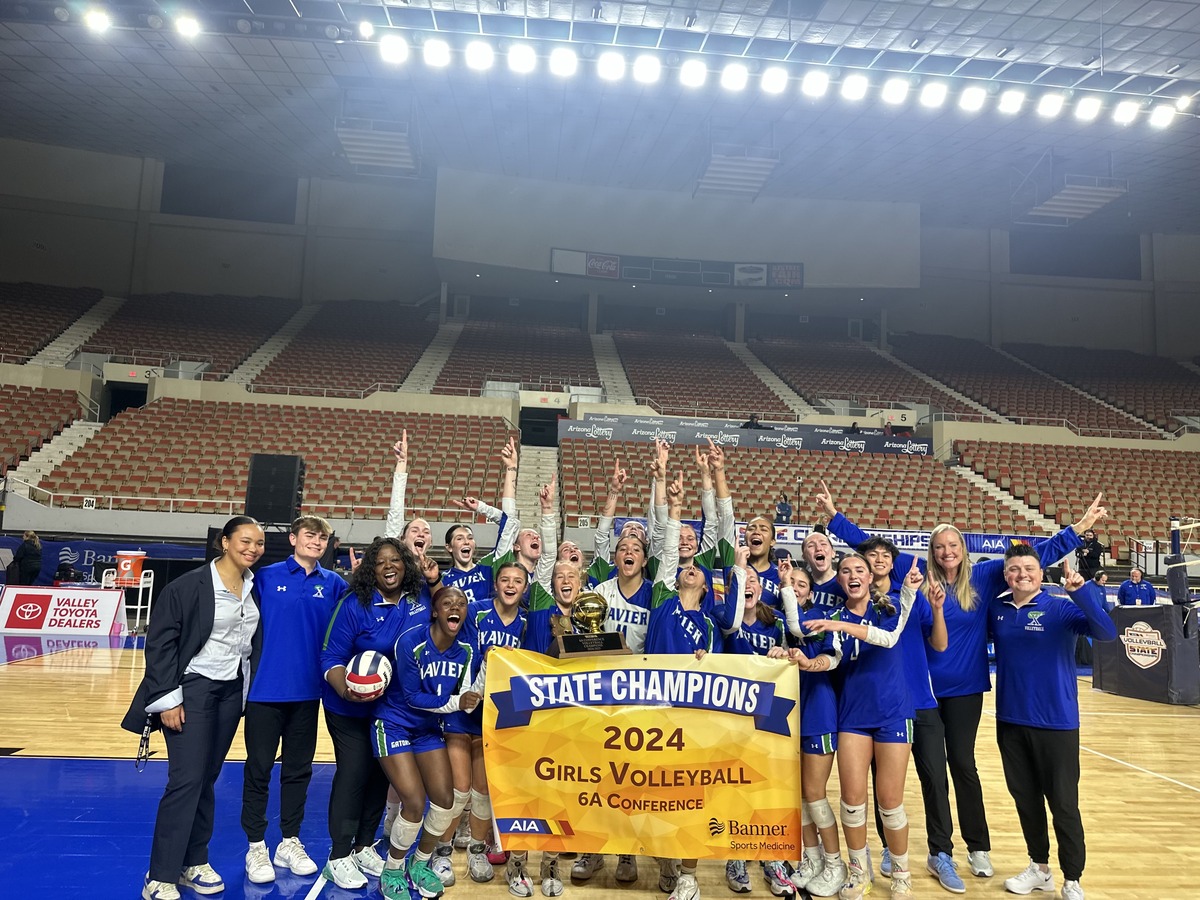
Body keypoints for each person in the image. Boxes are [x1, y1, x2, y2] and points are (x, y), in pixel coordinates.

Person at [817, 481, 1108, 886]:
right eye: (939, 546)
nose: (947, 552)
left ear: (963, 550)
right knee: (927, 772)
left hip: (966, 690)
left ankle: (977, 846)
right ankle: (929, 850)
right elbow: (873, 551)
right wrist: (835, 521)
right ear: (931, 551)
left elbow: (1032, 557)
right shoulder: (915, 573)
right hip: (919, 692)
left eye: (953, 545)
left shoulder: (987, 576)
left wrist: (1077, 529)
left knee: (963, 766)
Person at [123, 516, 266, 900]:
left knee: (206, 779)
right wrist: (169, 699)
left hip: (230, 692)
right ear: (225, 542)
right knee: (186, 780)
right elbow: (160, 646)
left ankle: (194, 861)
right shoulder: (187, 586)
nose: (252, 549)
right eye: (245, 541)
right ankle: (160, 875)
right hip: (192, 691)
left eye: (259, 544)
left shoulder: (255, 588)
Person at [802, 555, 933, 899]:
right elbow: (832, 658)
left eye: (859, 569)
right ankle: (859, 870)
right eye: (845, 571)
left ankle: (902, 873)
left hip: (893, 713)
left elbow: (887, 639)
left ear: (870, 575)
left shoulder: (890, 608)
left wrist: (841, 627)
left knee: (890, 803)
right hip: (853, 717)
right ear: (841, 581)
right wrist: (808, 662)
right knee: (851, 800)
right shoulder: (832, 618)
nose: (852, 575)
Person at [990, 551, 1116, 900]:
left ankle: (1072, 879)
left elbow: (1106, 632)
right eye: (1013, 569)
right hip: (1011, 720)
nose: (1021, 574)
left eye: (1028, 568)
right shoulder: (997, 610)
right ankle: (1039, 868)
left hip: (1057, 722)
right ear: (1006, 575)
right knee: (1026, 800)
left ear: (1040, 573)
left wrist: (1081, 592)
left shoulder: (1060, 607)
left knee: (1063, 803)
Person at [241, 515, 347, 885]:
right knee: (258, 770)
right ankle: (256, 845)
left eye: (322, 538)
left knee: (298, 771)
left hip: (308, 694)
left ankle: (289, 840)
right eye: (309, 536)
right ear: (293, 538)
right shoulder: (264, 577)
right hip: (263, 692)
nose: (316, 542)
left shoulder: (333, 583)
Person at [319, 536, 424, 890]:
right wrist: (345, 688)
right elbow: (329, 657)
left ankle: (364, 845)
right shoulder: (354, 604)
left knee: (382, 776)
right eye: (380, 562)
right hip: (347, 707)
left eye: (396, 560)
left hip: (390, 711)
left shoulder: (416, 601)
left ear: (405, 565)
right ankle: (338, 855)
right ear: (370, 570)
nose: (389, 566)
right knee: (354, 773)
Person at [377, 586, 486, 900]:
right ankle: (393, 869)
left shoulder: (465, 649)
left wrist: (489, 667)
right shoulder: (411, 641)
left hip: (427, 729)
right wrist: (456, 703)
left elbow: (467, 694)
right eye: (447, 603)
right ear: (435, 611)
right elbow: (413, 697)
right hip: (394, 723)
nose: (455, 607)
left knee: (445, 802)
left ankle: (420, 864)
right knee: (413, 803)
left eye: (461, 603)